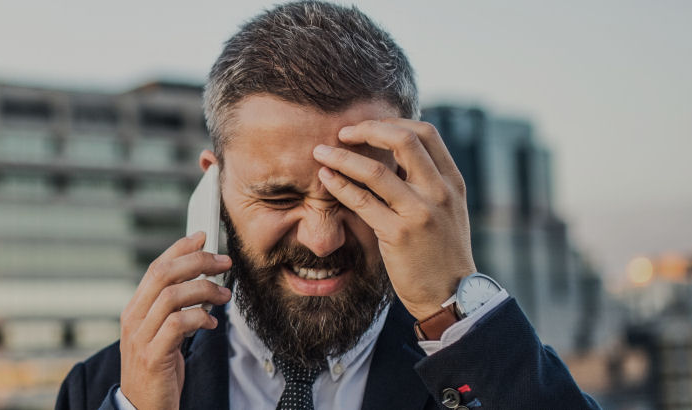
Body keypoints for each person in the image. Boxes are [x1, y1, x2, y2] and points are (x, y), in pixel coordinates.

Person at [55, 2, 599, 409]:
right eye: (279, 196)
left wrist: (456, 308)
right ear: (213, 188)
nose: (321, 239)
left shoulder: (485, 366)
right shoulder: (108, 387)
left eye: (356, 193)